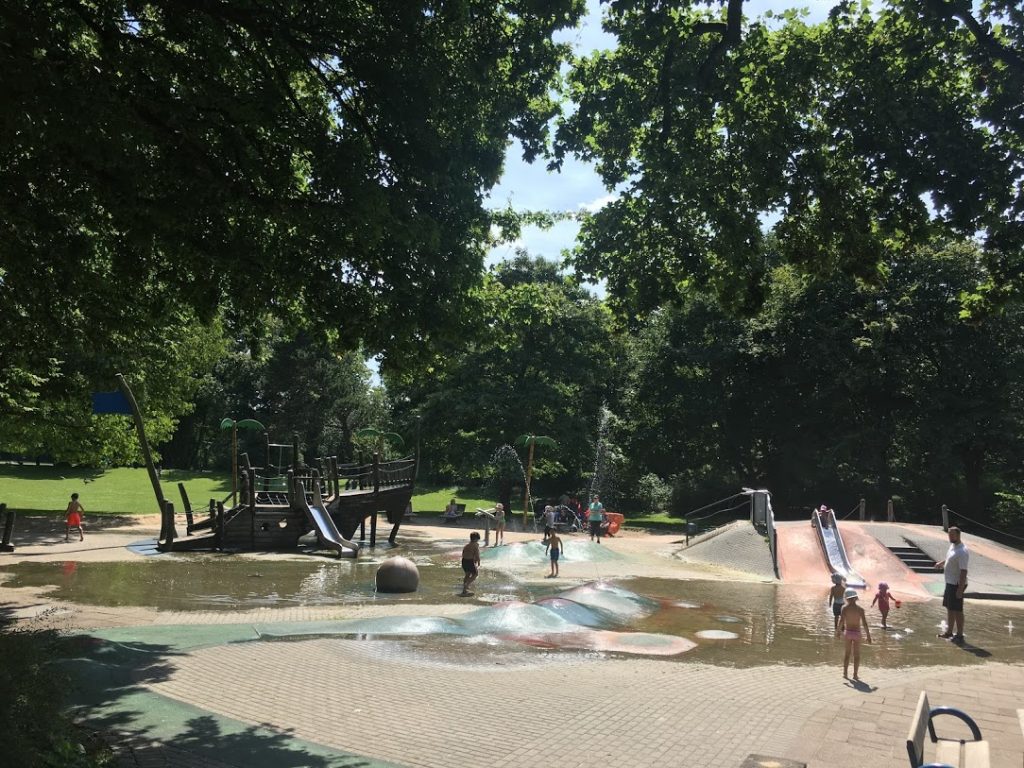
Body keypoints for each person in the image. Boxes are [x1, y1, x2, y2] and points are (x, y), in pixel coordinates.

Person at [935, 526, 969, 643]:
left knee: (958, 610)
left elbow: (964, 571)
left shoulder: (962, 551)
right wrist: (942, 563)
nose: (950, 537)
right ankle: (949, 632)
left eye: (952, 535)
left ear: (958, 535)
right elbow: (949, 558)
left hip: (956, 584)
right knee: (950, 608)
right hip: (949, 583)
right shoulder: (953, 546)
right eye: (949, 534)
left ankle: (959, 635)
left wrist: (960, 589)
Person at [836, 588, 871, 679]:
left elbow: (841, 622)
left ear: (847, 598)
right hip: (857, 633)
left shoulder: (844, 608)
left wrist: (838, 632)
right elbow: (865, 623)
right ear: (855, 598)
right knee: (857, 655)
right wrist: (868, 636)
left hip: (848, 633)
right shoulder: (860, 609)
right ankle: (855, 675)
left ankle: (845, 673)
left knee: (847, 654)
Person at [461, 532, 481, 596]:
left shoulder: (467, 545)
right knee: (475, 574)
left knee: (467, 574)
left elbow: (463, 553)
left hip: (464, 561)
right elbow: (477, 555)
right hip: (469, 561)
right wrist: (479, 563)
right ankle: (466, 587)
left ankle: (465, 586)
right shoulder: (475, 546)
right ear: (475, 539)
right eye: (478, 540)